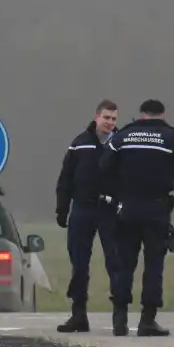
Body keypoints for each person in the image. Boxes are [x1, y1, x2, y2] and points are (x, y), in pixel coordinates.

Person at [99, 99, 174, 336]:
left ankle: (119, 321)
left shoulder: (123, 136)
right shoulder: (173, 137)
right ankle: (147, 321)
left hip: (127, 208)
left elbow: (103, 166)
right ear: (163, 115)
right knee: (153, 266)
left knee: (124, 265)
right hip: (156, 209)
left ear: (141, 115)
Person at [53, 99, 122, 333]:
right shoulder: (79, 144)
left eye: (114, 119)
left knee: (116, 263)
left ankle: (119, 317)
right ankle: (78, 315)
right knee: (79, 264)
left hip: (110, 210)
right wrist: (62, 209)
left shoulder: (121, 144)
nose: (110, 123)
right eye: (106, 118)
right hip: (82, 209)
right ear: (96, 117)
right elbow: (66, 178)